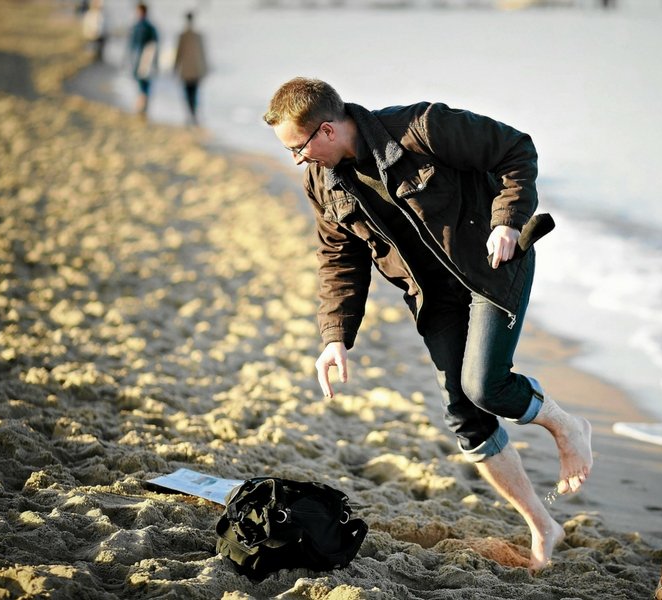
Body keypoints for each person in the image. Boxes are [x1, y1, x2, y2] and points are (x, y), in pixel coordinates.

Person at [263, 78, 594, 572]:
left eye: (298, 148)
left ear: (326, 130)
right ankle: (542, 524)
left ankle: (568, 427)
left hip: (491, 267)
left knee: (486, 385)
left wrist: (506, 220)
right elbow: (338, 255)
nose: (299, 161)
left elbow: (516, 150)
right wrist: (335, 338)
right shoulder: (322, 181)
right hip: (433, 296)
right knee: (465, 418)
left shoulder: (421, 128)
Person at [173, 11, 208, 125]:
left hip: (186, 71)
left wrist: (175, 67)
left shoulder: (182, 36)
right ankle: (193, 115)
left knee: (188, 94)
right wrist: (204, 69)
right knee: (194, 94)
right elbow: (203, 54)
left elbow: (178, 54)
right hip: (196, 70)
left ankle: (191, 115)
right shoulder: (198, 36)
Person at [128, 2, 158, 118]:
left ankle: (142, 106)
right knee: (143, 84)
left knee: (143, 84)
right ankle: (143, 106)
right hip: (139, 60)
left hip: (144, 61)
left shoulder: (144, 27)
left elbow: (153, 46)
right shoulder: (145, 27)